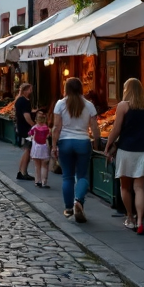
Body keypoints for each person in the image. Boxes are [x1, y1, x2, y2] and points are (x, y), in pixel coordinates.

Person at [105, 78, 144, 234]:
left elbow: (116, 129)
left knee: (125, 187)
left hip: (126, 150)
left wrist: (108, 145)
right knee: (140, 187)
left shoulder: (123, 106)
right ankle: (141, 221)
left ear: (126, 90)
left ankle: (130, 217)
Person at [51, 77, 101, 223]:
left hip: (65, 142)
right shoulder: (89, 105)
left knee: (67, 176)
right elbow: (95, 128)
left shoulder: (60, 104)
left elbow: (56, 127)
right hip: (83, 142)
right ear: (81, 89)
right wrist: (96, 143)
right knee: (82, 176)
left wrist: (54, 145)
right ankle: (78, 200)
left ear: (66, 89)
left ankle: (68, 208)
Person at [13, 84, 36, 181]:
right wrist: (34, 126)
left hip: (21, 127)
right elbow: (26, 116)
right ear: (25, 90)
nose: (31, 91)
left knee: (27, 149)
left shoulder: (19, 100)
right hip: (26, 129)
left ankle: (21, 171)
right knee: (28, 150)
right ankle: (23, 172)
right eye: (30, 89)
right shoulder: (25, 101)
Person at [29, 111, 52, 188]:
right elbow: (49, 136)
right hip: (44, 148)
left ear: (36, 120)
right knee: (44, 166)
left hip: (36, 148)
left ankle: (37, 181)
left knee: (37, 166)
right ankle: (44, 182)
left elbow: (30, 134)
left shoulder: (34, 128)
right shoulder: (47, 129)